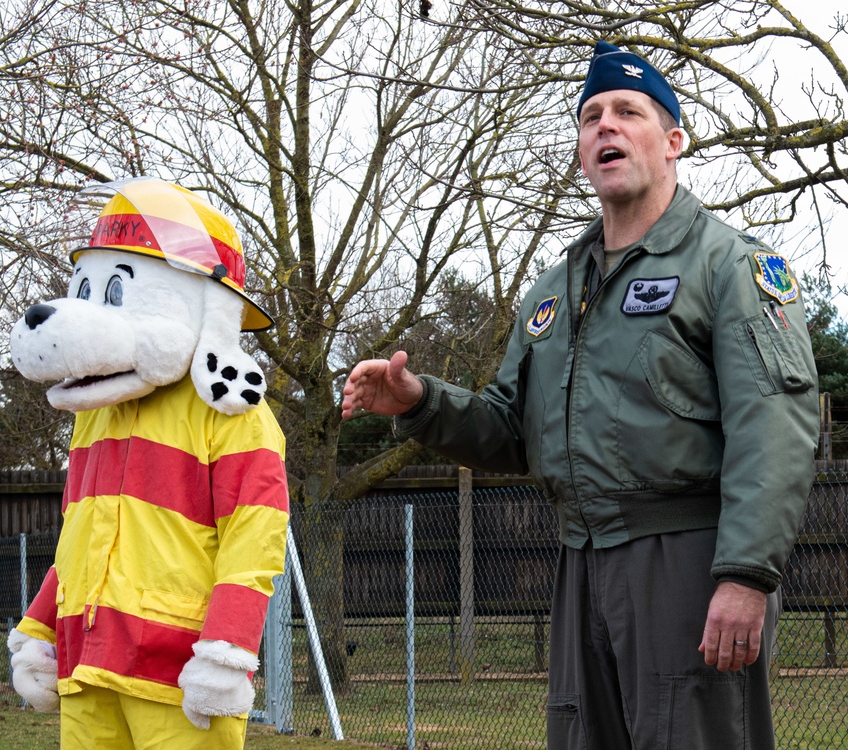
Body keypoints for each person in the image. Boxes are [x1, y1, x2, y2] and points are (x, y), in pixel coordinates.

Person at [341, 41, 819, 750]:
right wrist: (420, 402)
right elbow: (511, 430)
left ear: (673, 141)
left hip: (686, 556)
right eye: (591, 117)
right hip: (581, 560)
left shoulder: (730, 265)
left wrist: (746, 575)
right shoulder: (555, 291)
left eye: (629, 112)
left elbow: (774, 427)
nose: (606, 127)